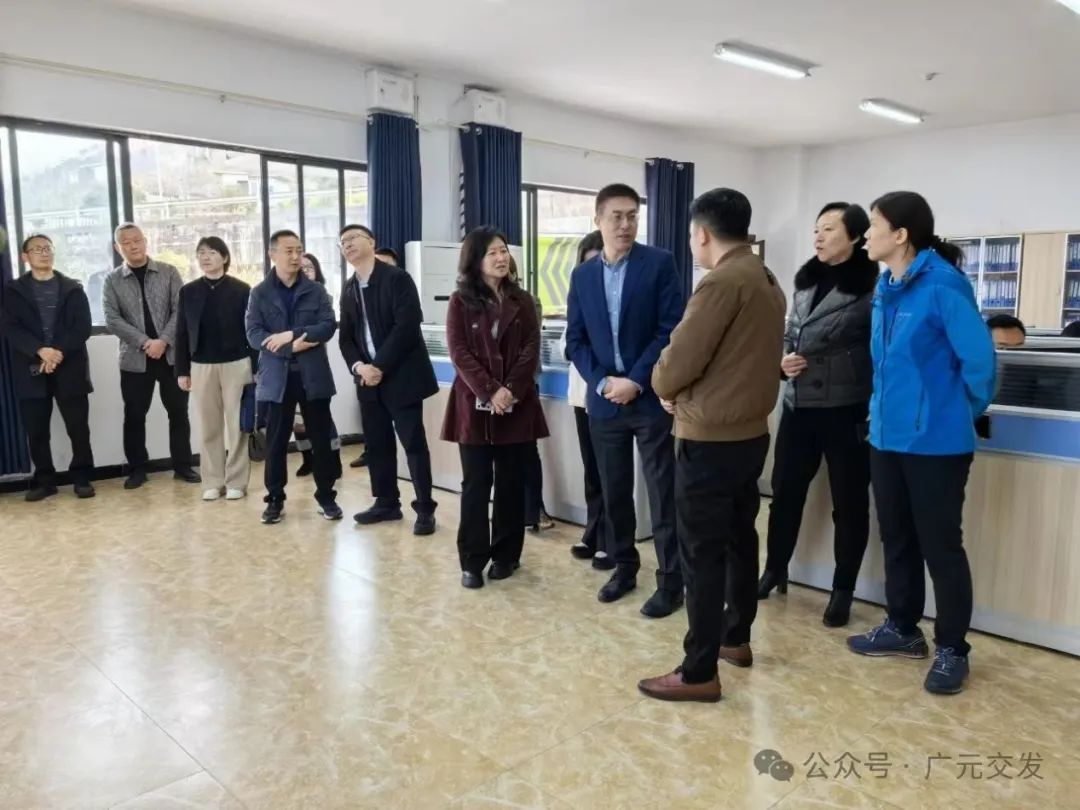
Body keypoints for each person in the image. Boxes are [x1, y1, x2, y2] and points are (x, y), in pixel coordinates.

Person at [637, 188, 786, 702]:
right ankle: (734, 637)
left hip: (709, 440)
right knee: (740, 539)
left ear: (702, 233)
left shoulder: (720, 282)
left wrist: (665, 386)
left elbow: (677, 363)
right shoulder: (765, 277)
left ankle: (698, 670)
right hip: (750, 433)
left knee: (700, 553)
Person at [847, 192, 996, 696]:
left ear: (901, 234)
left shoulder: (944, 285)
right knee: (897, 537)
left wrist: (955, 414)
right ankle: (903, 628)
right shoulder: (886, 285)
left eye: (873, 225)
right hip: (886, 438)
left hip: (937, 443)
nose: (867, 235)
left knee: (941, 546)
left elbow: (981, 365)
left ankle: (953, 648)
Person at [565, 183, 685, 618]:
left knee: (661, 492)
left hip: (648, 399)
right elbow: (575, 341)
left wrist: (635, 380)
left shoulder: (659, 264)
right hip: (604, 403)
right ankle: (624, 567)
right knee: (614, 491)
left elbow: (670, 329)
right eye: (616, 216)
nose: (625, 224)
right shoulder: (583, 276)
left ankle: (671, 581)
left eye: (633, 215)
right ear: (598, 220)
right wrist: (602, 383)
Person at [758, 203, 878, 628]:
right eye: (816, 229)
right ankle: (774, 568)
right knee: (785, 494)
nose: (819, 237)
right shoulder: (805, 280)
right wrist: (781, 362)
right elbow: (790, 334)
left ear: (855, 237)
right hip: (799, 406)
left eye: (829, 229)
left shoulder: (872, 287)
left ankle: (842, 589)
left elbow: (876, 352)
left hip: (846, 409)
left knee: (849, 504)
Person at [442, 227, 549, 588]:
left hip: (516, 404)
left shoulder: (522, 300)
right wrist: (490, 391)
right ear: (475, 259)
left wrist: (510, 391)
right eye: (493, 252)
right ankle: (472, 561)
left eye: (504, 250)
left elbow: (530, 348)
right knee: (475, 483)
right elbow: (459, 352)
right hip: (473, 405)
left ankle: (506, 555)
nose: (502, 257)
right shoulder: (460, 301)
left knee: (511, 483)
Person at [339, 224, 439, 535]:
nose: (347, 245)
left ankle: (425, 508)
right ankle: (386, 503)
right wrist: (360, 367)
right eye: (342, 242)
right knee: (377, 444)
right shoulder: (349, 288)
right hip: (368, 380)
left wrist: (379, 365)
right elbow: (346, 338)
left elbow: (407, 325)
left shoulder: (397, 278)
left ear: (371, 242)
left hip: (401, 376)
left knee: (413, 444)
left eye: (353, 238)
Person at [246, 229, 342, 524]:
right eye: (288, 250)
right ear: (272, 254)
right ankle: (275, 499)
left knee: (321, 439)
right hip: (277, 378)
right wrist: (292, 346)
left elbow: (328, 325)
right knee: (276, 442)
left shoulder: (316, 291)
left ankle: (326, 496)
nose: (295, 256)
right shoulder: (259, 293)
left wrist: (291, 335)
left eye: (299, 250)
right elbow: (254, 334)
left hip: (313, 375)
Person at [103, 223, 199, 488]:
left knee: (178, 413)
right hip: (135, 359)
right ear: (117, 248)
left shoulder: (168, 272)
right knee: (134, 415)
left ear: (145, 241)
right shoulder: (112, 280)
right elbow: (112, 319)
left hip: (171, 357)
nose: (132, 245)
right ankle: (137, 470)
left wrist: (163, 341)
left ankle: (183, 466)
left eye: (137, 240)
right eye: (126, 242)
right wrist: (146, 342)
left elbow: (181, 309)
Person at [1, 233, 95, 501]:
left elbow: (82, 327)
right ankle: (45, 481)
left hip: (70, 367)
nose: (44, 253)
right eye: (37, 249)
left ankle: (82, 478)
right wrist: (40, 351)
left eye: (48, 248)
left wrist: (57, 353)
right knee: (37, 431)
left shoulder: (73, 288)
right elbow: (10, 327)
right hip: (31, 369)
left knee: (78, 428)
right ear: (25, 257)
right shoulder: (13, 291)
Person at [175, 236, 254, 502]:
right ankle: (212, 481)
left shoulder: (242, 289)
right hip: (201, 365)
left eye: (211, 252)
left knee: (238, 427)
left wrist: (256, 367)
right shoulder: (188, 291)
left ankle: (236, 482)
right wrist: (182, 371)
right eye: (200, 253)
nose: (205, 257)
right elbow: (181, 332)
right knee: (209, 426)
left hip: (237, 364)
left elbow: (252, 330)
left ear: (225, 257)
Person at [558, 231, 612, 569]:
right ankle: (593, 531)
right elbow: (568, 344)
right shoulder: (578, 296)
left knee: (609, 472)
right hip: (582, 396)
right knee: (591, 470)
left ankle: (610, 539)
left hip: (608, 395)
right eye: (586, 265)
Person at [512, 256, 555, 533]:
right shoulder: (478, 302)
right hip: (491, 389)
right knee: (503, 454)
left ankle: (535, 510)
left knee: (527, 449)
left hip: (524, 384)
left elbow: (529, 343)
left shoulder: (529, 301)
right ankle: (511, 509)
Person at [295, 253, 343, 480]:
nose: (304, 271)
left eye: (309, 267)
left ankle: (334, 459)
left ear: (317, 272)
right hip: (289, 367)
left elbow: (321, 330)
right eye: (300, 268)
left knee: (322, 418)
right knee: (298, 420)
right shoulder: (286, 296)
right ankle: (308, 459)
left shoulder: (322, 296)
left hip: (314, 366)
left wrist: (295, 340)